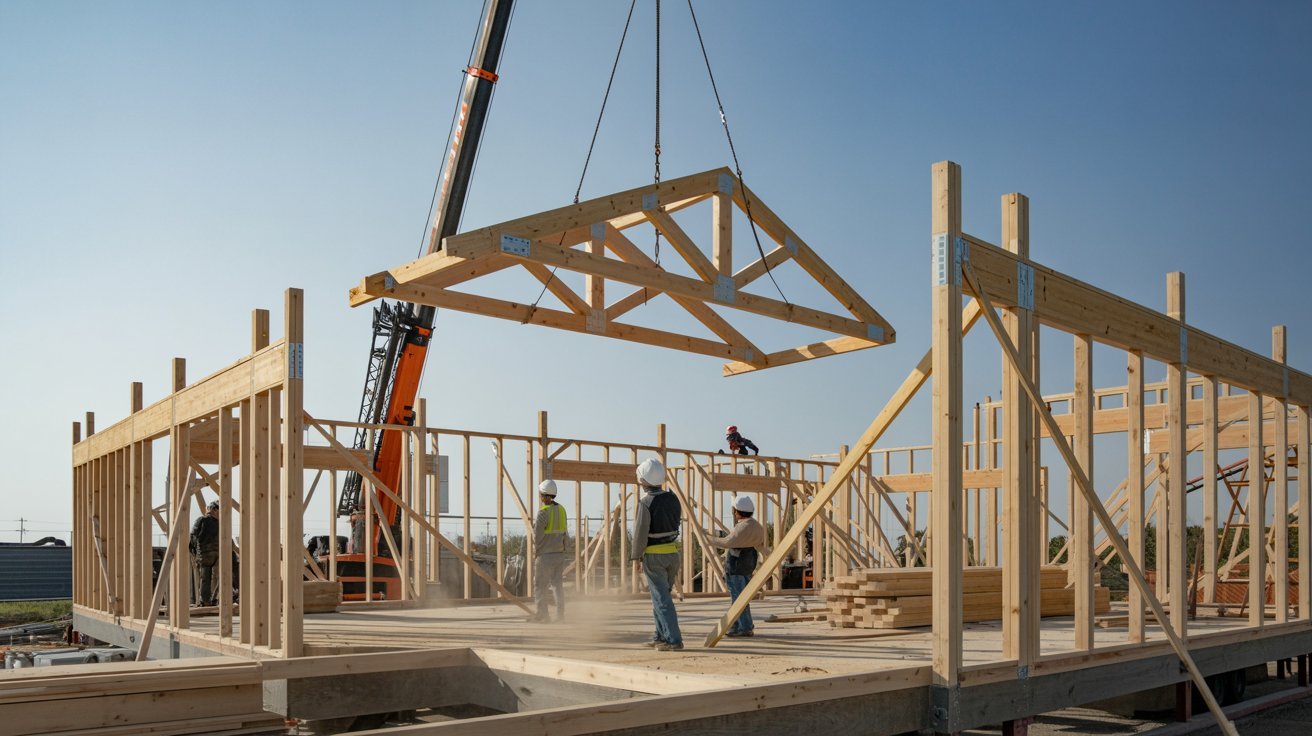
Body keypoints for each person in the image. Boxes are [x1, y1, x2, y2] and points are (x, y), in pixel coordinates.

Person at [631, 458, 683, 651]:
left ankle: (673, 640)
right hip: (672, 553)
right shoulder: (673, 498)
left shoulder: (645, 502)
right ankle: (660, 635)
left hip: (654, 557)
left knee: (661, 599)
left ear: (643, 480)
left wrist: (635, 556)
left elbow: (640, 532)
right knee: (660, 597)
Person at [705, 495, 768, 637]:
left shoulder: (742, 527)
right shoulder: (757, 526)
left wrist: (709, 539)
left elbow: (727, 542)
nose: (733, 512)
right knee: (741, 597)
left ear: (738, 511)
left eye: (735, 510)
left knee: (738, 599)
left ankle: (745, 627)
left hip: (737, 565)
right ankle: (735, 626)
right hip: (749, 563)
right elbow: (760, 545)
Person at [530, 479, 568, 622]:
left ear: (545, 496)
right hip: (559, 554)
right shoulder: (562, 510)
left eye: (540, 494)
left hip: (545, 556)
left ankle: (543, 616)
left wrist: (536, 551)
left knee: (540, 585)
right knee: (557, 585)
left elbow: (537, 537)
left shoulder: (543, 513)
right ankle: (560, 616)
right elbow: (565, 534)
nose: (539, 496)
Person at [189, 500, 221, 606]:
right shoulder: (219, 523)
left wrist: (193, 549)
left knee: (206, 578)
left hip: (206, 553)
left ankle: (207, 600)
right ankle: (210, 599)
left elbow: (194, 534)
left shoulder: (204, 520)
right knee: (212, 577)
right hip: (213, 553)